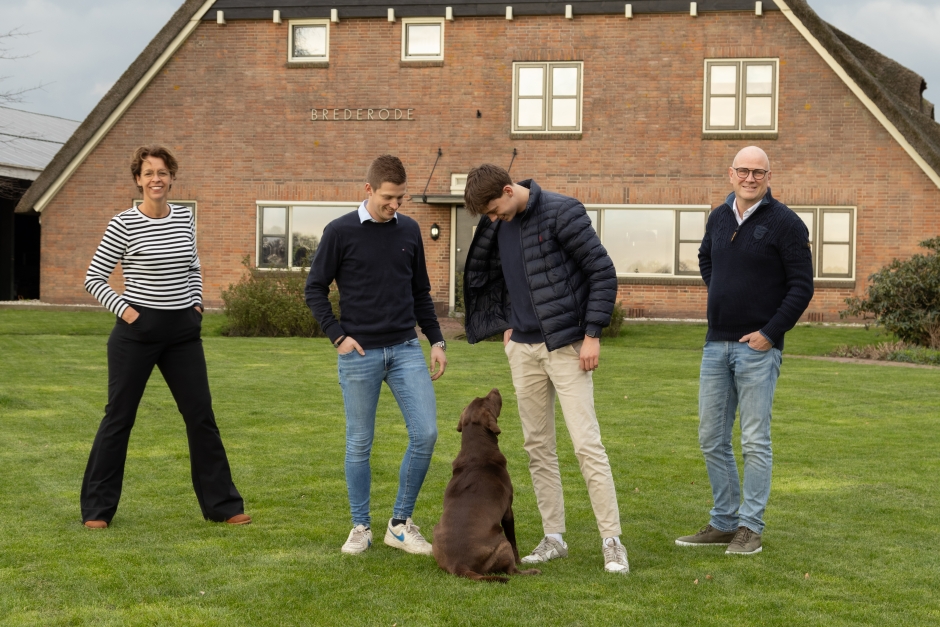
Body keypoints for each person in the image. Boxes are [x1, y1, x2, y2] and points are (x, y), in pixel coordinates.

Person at [462, 164, 629, 574]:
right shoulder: (496, 225)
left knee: (586, 444)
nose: (494, 219)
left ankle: (612, 541)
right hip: (523, 349)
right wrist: (505, 326)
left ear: (508, 189)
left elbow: (601, 271)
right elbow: (493, 279)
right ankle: (554, 536)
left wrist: (592, 332)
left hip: (568, 345)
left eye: (495, 210)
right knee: (537, 447)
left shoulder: (562, 211)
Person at [81, 145, 249, 529]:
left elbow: (193, 265)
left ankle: (223, 505)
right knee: (118, 419)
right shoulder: (122, 223)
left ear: (172, 178)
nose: (156, 178)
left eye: (162, 171)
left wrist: (196, 305)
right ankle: (97, 510)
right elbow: (94, 278)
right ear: (138, 180)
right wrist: (129, 312)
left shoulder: (185, 218)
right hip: (136, 334)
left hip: (182, 334)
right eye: (148, 172)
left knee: (201, 417)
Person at [305, 155, 447, 556]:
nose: (395, 205)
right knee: (359, 443)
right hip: (359, 353)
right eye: (388, 197)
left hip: (405, 348)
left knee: (426, 433)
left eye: (401, 198)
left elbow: (420, 292)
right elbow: (314, 288)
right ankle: (360, 526)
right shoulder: (340, 231)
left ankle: (400, 523)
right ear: (368, 190)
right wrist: (338, 337)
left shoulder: (411, 231)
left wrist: (436, 340)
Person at [676, 146, 813, 555]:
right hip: (715, 342)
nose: (750, 178)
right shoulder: (719, 217)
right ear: (730, 174)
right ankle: (723, 521)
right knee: (711, 437)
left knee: (755, 440)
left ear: (769, 176)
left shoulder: (787, 224)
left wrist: (770, 332)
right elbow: (706, 259)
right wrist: (722, 294)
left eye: (759, 172)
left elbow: (802, 286)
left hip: (757, 349)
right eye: (743, 171)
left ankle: (749, 527)